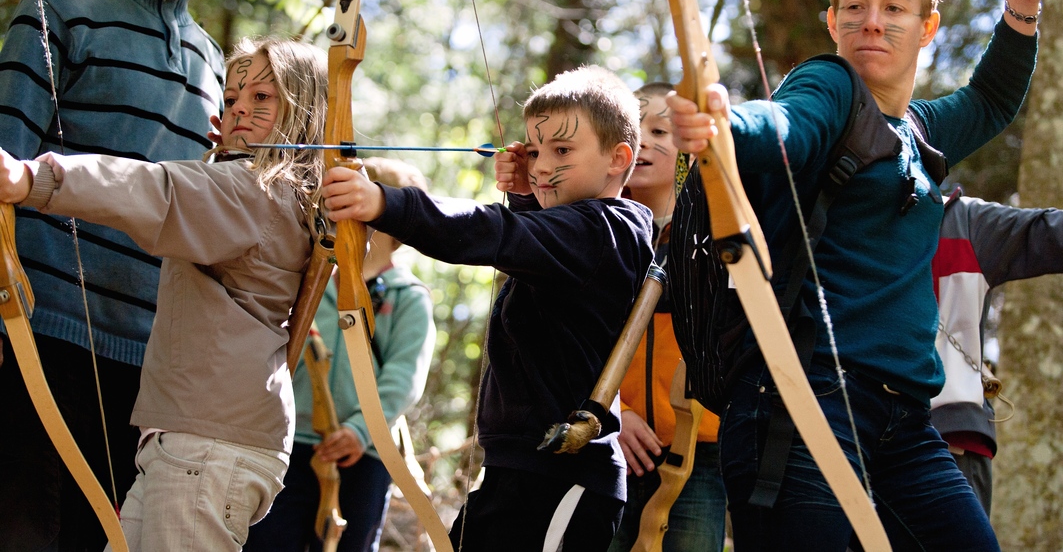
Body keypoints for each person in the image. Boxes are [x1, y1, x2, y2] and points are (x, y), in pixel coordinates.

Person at [667, 0, 1062, 551]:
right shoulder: (829, 85)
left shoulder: (921, 133)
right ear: (832, 21)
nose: (871, 21)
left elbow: (990, 100)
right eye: (853, 6)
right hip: (800, 407)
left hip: (903, 423)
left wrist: (1022, 4)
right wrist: (725, 130)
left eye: (895, 8)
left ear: (927, 27)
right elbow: (788, 127)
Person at [0, 0, 248, 549]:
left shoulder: (210, 61)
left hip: (148, 359)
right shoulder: (62, 8)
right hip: (38, 334)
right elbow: (3, 160)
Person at [0, 37, 328, 551]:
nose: (240, 107)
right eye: (234, 97)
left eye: (263, 98)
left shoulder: (251, 191)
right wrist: (228, 156)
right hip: (197, 441)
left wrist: (31, 178)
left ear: (305, 110)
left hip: (208, 448)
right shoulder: (268, 192)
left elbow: (157, 191)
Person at [321, 66, 655, 552]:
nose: (541, 165)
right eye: (536, 150)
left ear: (617, 158)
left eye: (562, 151)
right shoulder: (579, 233)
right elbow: (536, 253)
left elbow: (498, 234)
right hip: (520, 467)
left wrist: (390, 205)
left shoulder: (607, 231)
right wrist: (526, 198)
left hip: (563, 477)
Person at [245, 157, 437, 552]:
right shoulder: (312, 277)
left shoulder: (408, 298)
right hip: (289, 442)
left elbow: (403, 379)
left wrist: (359, 431)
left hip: (363, 455)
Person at [608, 82, 726, 552]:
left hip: (700, 451)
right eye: (632, 130)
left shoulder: (716, 234)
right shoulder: (603, 231)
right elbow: (573, 342)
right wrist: (613, 413)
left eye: (660, 129)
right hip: (613, 444)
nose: (644, 141)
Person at [930, 188, 1063, 517]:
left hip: (948, 441)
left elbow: (1049, 232)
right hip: (836, 435)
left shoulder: (963, 221)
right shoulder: (964, 221)